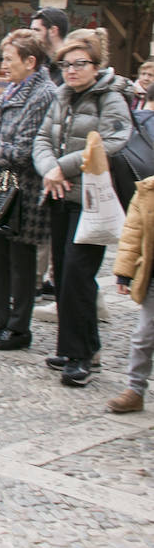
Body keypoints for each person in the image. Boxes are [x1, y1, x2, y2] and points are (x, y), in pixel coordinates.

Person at [32, 28, 133, 386]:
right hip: (60, 195)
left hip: (92, 200)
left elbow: (115, 139)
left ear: (95, 64)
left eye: (79, 64)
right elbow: (42, 138)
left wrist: (66, 165)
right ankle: (80, 346)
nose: (71, 70)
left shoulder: (111, 95)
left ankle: (81, 358)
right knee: (65, 276)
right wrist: (49, 169)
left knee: (77, 274)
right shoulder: (61, 95)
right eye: (66, 64)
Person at [0, 29, 57, 350]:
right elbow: (3, 141)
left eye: (9, 58)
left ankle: (18, 328)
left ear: (31, 61)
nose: (3, 65)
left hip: (25, 195)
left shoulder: (44, 94)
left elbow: (23, 152)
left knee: (21, 263)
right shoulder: (13, 90)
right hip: (1, 191)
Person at [109, 173, 154, 413]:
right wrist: (124, 273)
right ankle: (135, 390)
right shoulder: (148, 190)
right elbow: (132, 233)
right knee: (144, 336)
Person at [30, 7, 70, 85]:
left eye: (36, 30)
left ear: (53, 31)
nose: (31, 35)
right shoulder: (42, 63)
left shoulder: (70, 66)